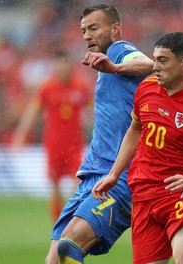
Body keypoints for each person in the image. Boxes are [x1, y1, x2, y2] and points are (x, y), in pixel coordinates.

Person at [92, 32, 183, 264]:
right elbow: (135, 129)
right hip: (143, 195)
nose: (154, 66)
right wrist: (114, 174)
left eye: (162, 60)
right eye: (154, 59)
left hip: (180, 194)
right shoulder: (146, 88)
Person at [45, 4, 154, 264]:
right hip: (92, 176)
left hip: (118, 177)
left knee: (70, 245)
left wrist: (114, 67)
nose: (86, 35)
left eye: (94, 28)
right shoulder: (103, 63)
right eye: (83, 30)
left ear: (115, 29)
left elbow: (149, 64)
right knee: (53, 260)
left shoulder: (119, 50)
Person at [12, 51, 92, 222]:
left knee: (76, 182)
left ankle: (73, 218)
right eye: (59, 64)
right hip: (54, 144)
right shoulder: (47, 87)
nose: (62, 68)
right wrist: (20, 135)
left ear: (70, 65)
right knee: (55, 184)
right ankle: (58, 222)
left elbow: (94, 110)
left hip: (74, 145)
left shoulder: (81, 86)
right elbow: (32, 111)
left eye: (65, 64)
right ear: (55, 66)